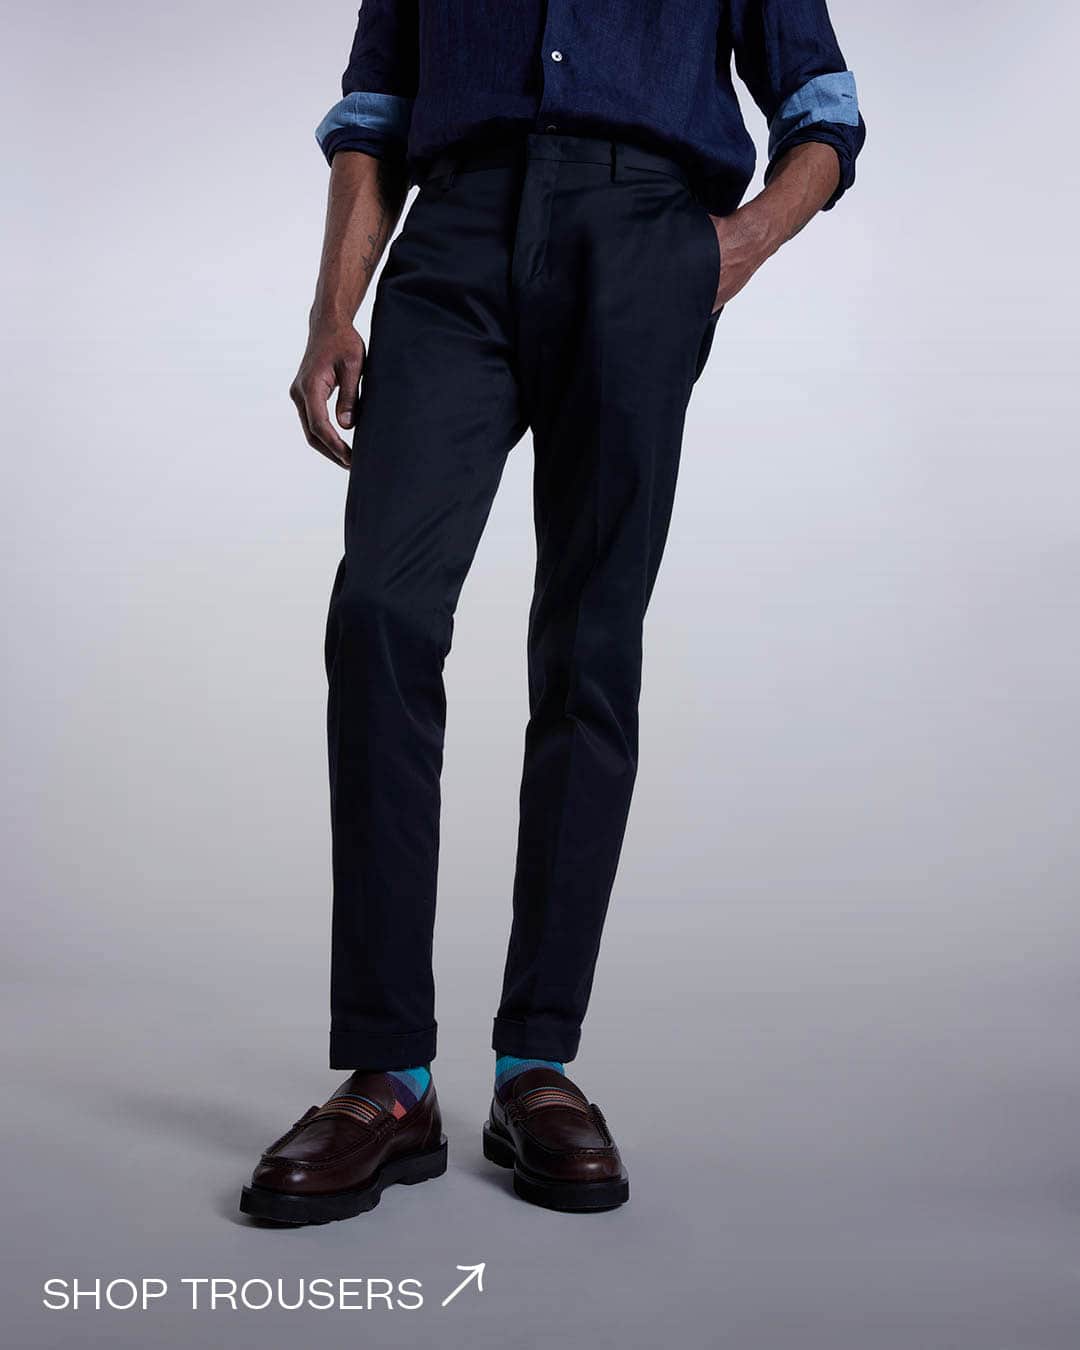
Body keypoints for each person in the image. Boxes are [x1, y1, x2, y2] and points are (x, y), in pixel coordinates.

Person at [240, 0, 866, 1223]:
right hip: (454, 238)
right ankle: (390, 1077)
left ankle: (537, 1063)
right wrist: (332, 309)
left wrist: (729, 251)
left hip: (643, 239)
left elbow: (825, 111)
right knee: (380, 613)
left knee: (588, 645)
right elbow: (375, 112)